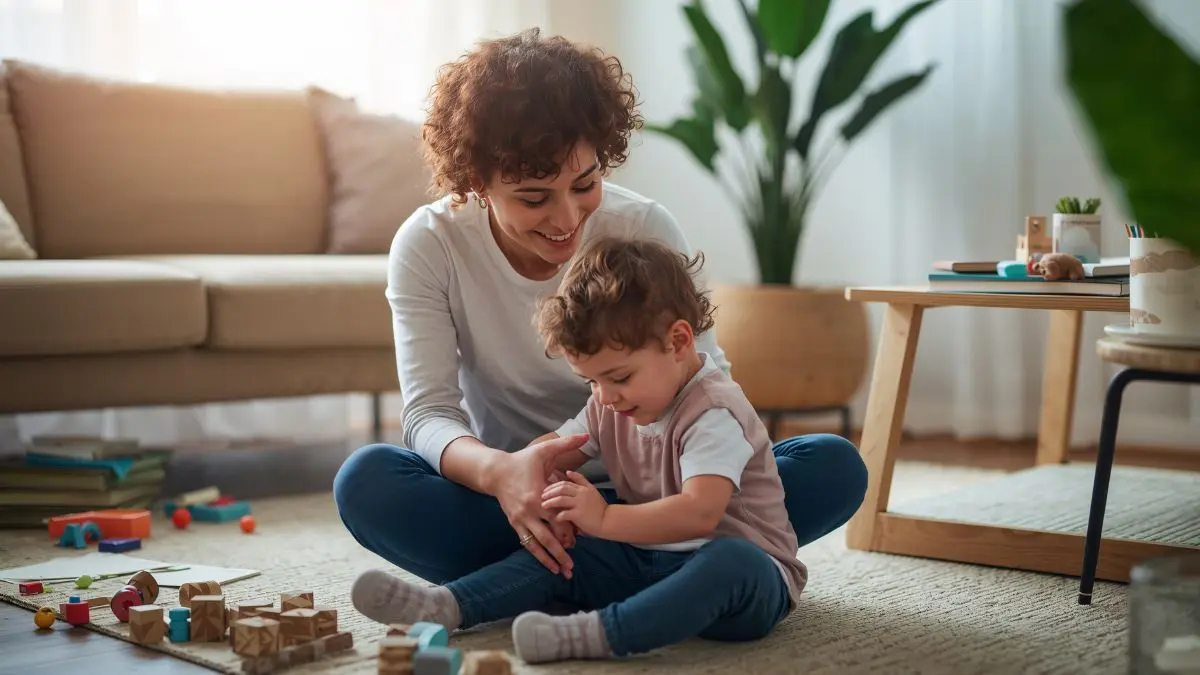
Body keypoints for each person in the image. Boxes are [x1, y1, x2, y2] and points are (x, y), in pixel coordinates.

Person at [332, 27, 866, 589]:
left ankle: (568, 569)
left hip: (663, 491)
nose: (567, 220)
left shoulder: (643, 228)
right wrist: (504, 474)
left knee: (831, 465)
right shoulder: (430, 243)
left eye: (585, 184)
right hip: (512, 494)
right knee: (366, 482)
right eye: (535, 198)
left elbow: (706, 382)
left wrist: (652, 503)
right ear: (477, 182)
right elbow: (428, 415)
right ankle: (655, 573)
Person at [351, 237, 806, 664]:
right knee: (573, 552)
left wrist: (604, 519)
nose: (605, 397)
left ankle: (598, 634)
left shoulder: (713, 411)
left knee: (729, 560)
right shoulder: (609, 403)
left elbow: (699, 514)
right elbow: (558, 448)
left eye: (619, 377)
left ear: (679, 341)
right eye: (592, 381)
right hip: (653, 554)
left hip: (748, 578)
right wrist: (533, 473)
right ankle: (448, 605)